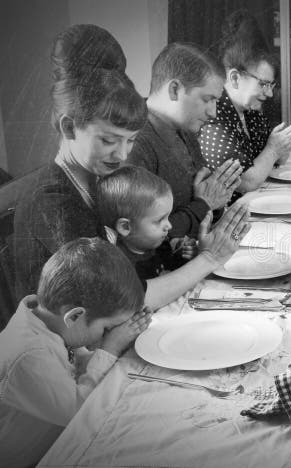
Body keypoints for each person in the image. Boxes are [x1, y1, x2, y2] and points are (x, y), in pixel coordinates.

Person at [11, 24, 148, 299]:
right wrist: (208, 259)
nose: (121, 155)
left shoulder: (94, 180)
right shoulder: (52, 201)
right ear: (70, 128)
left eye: (130, 140)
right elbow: (115, 295)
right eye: (108, 141)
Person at [0, 238, 152, 467]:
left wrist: (121, 341)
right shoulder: (29, 355)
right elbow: (80, 412)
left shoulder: (52, 324)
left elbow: (78, 363)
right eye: (107, 328)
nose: (107, 334)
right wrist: (110, 348)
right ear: (74, 316)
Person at [128, 42, 242, 242]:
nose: (213, 112)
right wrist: (205, 204)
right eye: (207, 99)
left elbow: (201, 203)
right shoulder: (133, 143)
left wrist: (216, 198)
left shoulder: (186, 129)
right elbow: (140, 238)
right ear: (174, 90)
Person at [97, 166, 250, 310]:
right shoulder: (123, 267)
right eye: (159, 220)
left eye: (168, 217)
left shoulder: (160, 245)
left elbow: (175, 271)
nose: (169, 226)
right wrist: (208, 257)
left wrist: (189, 255)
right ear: (125, 227)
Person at [200, 11, 291, 193]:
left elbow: (275, 161)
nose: (270, 94)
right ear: (234, 78)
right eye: (264, 84)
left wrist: (283, 146)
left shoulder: (250, 112)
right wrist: (274, 149)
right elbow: (246, 182)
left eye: (272, 86)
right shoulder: (214, 117)